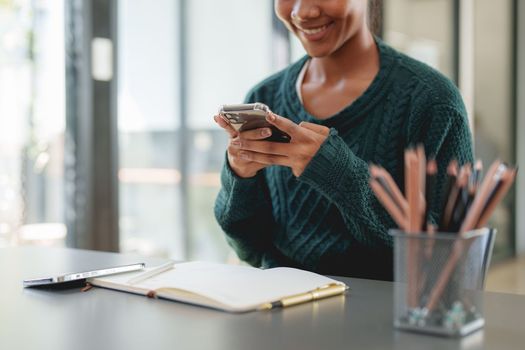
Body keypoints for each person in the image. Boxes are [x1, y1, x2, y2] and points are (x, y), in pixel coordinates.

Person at [213, 0, 473, 280]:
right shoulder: (265, 96)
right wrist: (240, 178)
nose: (302, 12)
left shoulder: (432, 101)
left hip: (382, 317)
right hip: (279, 311)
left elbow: (452, 262)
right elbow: (250, 250)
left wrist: (338, 174)